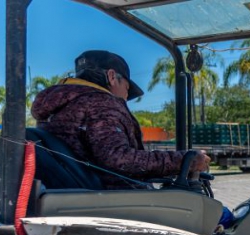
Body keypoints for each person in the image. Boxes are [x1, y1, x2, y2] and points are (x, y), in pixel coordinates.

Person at [31, 50, 209, 189]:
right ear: (111, 77)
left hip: (76, 191)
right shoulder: (100, 103)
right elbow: (119, 159)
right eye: (127, 88)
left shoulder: (58, 108)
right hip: (113, 199)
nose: (126, 97)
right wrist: (185, 160)